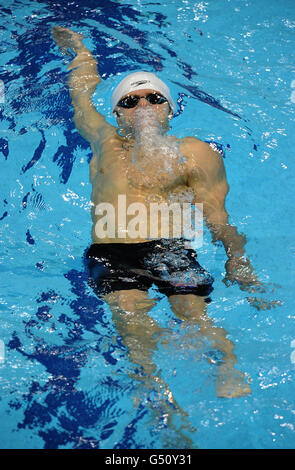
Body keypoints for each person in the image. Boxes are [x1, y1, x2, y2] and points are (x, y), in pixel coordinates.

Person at [51, 26, 263, 400]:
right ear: (117, 113)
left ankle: (228, 369)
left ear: (169, 108)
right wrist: (80, 51)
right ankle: (156, 393)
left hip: (169, 247)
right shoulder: (105, 142)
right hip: (113, 250)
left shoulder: (194, 151)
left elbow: (216, 213)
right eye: (130, 102)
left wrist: (237, 259)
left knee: (191, 310)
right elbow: (81, 99)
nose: (143, 107)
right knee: (130, 315)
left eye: (153, 98)